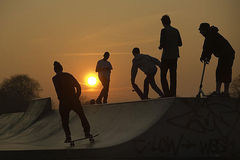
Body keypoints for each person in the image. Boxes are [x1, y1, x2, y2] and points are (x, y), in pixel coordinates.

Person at [52, 61, 92, 143]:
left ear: (55, 70)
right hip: (72, 100)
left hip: (64, 102)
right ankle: (87, 132)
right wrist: (77, 96)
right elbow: (78, 86)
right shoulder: (68, 76)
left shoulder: (54, 79)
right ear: (61, 69)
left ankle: (68, 136)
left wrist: (62, 98)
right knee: (82, 116)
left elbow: (58, 91)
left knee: (65, 120)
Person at [199, 23, 235, 97]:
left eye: (201, 30)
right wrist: (207, 58)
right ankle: (225, 92)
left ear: (205, 30)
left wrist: (203, 57)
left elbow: (207, 49)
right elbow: (209, 49)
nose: (200, 32)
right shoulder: (212, 34)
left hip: (226, 54)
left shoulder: (210, 36)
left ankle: (219, 92)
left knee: (221, 71)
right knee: (225, 71)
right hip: (228, 54)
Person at [159, 15, 182, 97]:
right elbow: (180, 43)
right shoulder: (176, 31)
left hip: (166, 57)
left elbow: (162, 44)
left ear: (163, 22)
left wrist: (160, 47)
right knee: (173, 76)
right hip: (174, 56)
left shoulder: (163, 31)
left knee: (163, 76)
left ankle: (167, 94)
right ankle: (173, 94)